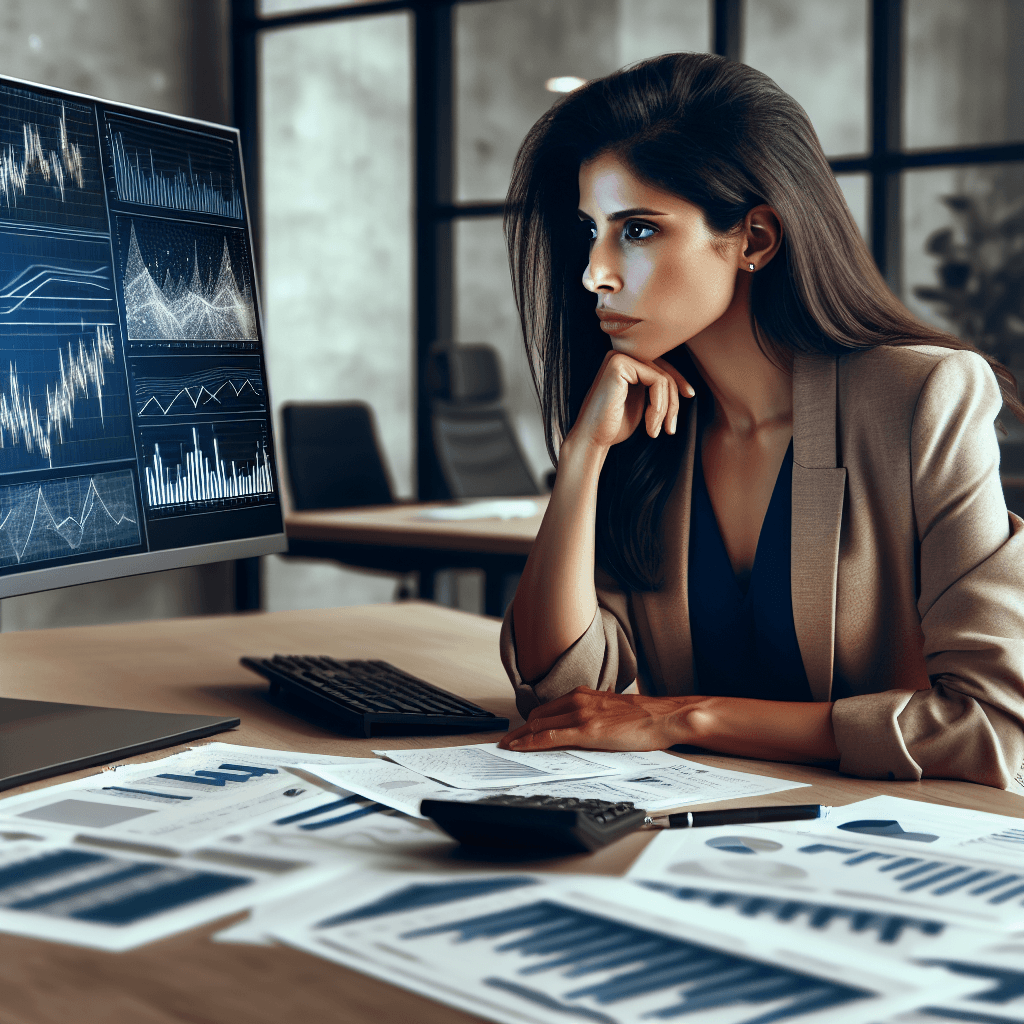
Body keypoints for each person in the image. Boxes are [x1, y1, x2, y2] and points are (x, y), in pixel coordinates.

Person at [495, 52, 1024, 792]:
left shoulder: (922, 398)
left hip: (893, 842)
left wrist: (687, 718)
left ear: (756, 240)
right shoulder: (651, 425)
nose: (595, 272)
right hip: (698, 830)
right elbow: (561, 696)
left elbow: (995, 730)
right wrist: (583, 456)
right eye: (592, 230)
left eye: (638, 230)